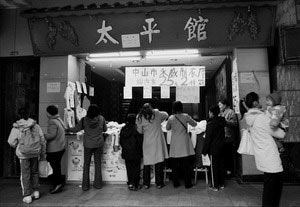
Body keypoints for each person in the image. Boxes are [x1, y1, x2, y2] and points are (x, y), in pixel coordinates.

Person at [244, 92, 285, 207]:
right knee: (274, 190)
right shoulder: (261, 117)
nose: (264, 103)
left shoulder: (250, 118)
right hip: (271, 158)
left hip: (262, 156)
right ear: (255, 102)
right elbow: (281, 134)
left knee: (269, 188)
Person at [8, 107, 46, 204]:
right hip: (35, 153)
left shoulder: (17, 127)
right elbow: (42, 140)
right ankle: (36, 192)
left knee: (25, 174)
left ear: (18, 115)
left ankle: (27, 195)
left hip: (23, 154)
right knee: (35, 172)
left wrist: (19, 146)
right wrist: (42, 153)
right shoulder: (36, 126)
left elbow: (11, 142)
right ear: (29, 114)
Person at [66, 104, 107, 191]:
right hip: (98, 144)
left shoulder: (84, 119)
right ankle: (98, 185)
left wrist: (68, 129)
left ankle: (85, 186)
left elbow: (76, 129)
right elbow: (105, 130)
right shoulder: (101, 118)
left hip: (88, 144)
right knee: (98, 164)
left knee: (86, 164)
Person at [136, 103, 169, 189]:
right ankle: (159, 183)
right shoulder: (157, 113)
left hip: (147, 142)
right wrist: (159, 120)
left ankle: (146, 184)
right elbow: (166, 115)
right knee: (159, 162)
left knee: (147, 163)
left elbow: (139, 131)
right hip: (158, 141)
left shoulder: (139, 117)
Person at [166, 101, 197, 189]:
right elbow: (194, 124)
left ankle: (176, 183)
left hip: (175, 143)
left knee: (175, 165)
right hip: (184, 143)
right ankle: (188, 184)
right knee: (186, 165)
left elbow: (167, 128)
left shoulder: (171, 118)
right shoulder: (186, 116)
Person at [202, 105, 226, 192]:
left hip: (214, 148)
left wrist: (204, 150)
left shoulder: (210, 124)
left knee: (214, 167)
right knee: (221, 165)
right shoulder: (222, 121)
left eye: (209, 112)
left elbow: (208, 139)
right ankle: (222, 183)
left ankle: (215, 186)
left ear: (211, 113)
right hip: (222, 146)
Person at [44, 105, 66, 194]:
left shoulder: (52, 122)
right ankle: (59, 183)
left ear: (49, 113)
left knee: (54, 167)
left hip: (54, 148)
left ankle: (57, 184)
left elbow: (51, 135)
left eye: (46, 112)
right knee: (57, 166)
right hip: (60, 147)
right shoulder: (59, 120)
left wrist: (42, 136)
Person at [120, 113, 143, 191]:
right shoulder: (137, 129)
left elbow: (121, 142)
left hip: (126, 152)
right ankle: (136, 184)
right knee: (136, 168)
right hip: (136, 152)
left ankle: (130, 183)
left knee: (129, 168)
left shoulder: (123, 129)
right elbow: (140, 141)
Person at [218, 99, 238, 177]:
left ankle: (229, 171)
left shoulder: (231, 112)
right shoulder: (221, 113)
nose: (219, 106)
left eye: (220, 105)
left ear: (225, 105)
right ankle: (224, 170)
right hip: (222, 137)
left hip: (228, 137)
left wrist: (225, 121)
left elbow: (235, 123)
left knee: (228, 155)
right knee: (223, 155)